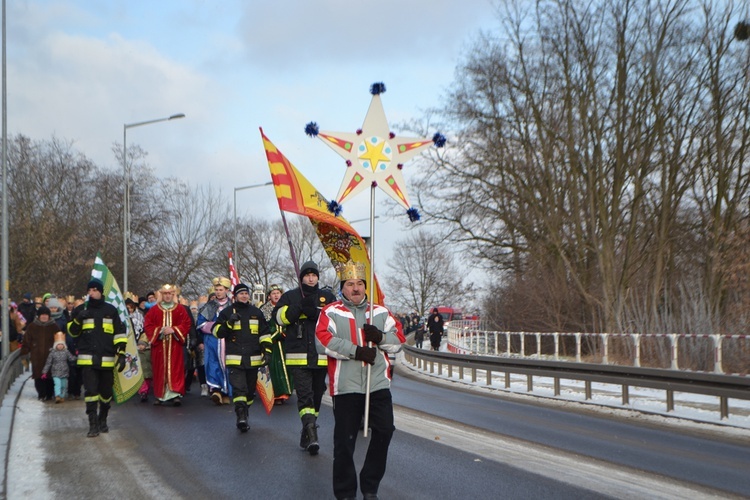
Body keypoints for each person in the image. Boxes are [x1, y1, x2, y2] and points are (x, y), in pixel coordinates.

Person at [316, 260, 405, 500]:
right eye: (350, 284)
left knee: (385, 430)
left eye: (359, 284)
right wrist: (356, 351)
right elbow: (322, 341)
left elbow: (398, 341)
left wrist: (380, 337)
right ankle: (345, 492)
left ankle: (370, 485)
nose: (355, 288)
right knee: (345, 442)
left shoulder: (380, 312)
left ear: (365, 286)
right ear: (342, 287)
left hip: (377, 383)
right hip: (345, 386)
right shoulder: (331, 312)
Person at [273, 260, 336, 455]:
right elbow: (278, 318)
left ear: (318, 277)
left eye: (314, 275)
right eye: (307, 275)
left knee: (317, 395)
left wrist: (316, 313)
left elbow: (336, 321)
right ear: (301, 278)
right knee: (305, 395)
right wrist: (298, 308)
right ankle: (312, 432)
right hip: (298, 356)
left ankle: (307, 430)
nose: (311, 278)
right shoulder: (291, 296)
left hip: (321, 356)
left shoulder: (327, 296)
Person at [68, 279, 128, 437]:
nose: (92, 293)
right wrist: (79, 318)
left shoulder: (111, 310)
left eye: (95, 290)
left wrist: (121, 354)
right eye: (90, 290)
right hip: (87, 360)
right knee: (91, 392)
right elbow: (72, 332)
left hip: (107, 359)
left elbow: (119, 334)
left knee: (106, 394)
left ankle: (103, 419)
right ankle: (93, 424)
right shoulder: (81, 309)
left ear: (101, 292)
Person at [213, 283, 273, 432]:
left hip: (253, 359)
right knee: (239, 389)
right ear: (235, 296)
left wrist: (267, 351)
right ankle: (241, 416)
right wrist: (229, 323)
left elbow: (264, 333)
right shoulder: (227, 312)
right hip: (235, 359)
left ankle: (244, 411)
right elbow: (216, 332)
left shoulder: (256, 312)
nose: (244, 296)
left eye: (246, 293)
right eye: (241, 294)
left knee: (250, 392)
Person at [143, 284, 191, 406]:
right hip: (159, 346)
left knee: (175, 369)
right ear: (162, 295)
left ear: (173, 295)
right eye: (165, 293)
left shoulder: (180, 309)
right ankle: (160, 395)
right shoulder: (154, 310)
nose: (168, 296)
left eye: (170, 293)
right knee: (159, 369)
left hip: (175, 345)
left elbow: (186, 323)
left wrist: (174, 329)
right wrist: (159, 330)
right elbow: (148, 325)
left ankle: (175, 394)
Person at [196, 277, 233, 404]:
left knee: (228, 365)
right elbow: (200, 324)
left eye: (220, 290)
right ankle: (216, 390)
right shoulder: (209, 306)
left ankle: (226, 392)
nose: (218, 292)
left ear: (226, 290)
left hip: (228, 341)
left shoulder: (232, 306)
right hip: (212, 340)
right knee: (212, 363)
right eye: (216, 290)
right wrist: (215, 327)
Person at [260, 283, 293, 404]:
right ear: (269, 296)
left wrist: (285, 333)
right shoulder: (264, 309)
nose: (276, 295)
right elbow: (263, 328)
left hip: (285, 343)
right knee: (274, 367)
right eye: (273, 293)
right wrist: (273, 336)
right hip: (271, 343)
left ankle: (286, 391)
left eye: (278, 293)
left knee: (287, 366)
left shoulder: (286, 307)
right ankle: (276, 393)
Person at [21, 305, 58, 401]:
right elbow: (26, 341)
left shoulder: (54, 326)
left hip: (51, 356)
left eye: (46, 315)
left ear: (49, 316)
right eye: (42, 315)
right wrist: (24, 353)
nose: (44, 317)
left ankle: (49, 394)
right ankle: (41, 394)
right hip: (37, 356)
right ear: (38, 316)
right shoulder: (32, 326)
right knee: (38, 376)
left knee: (50, 377)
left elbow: (60, 340)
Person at [41, 332, 77, 403]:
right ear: (55, 345)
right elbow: (48, 363)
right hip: (55, 372)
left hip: (64, 372)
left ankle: (62, 396)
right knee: (57, 384)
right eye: (58, 344)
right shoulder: (52, 353)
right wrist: (44, 372)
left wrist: (77, 356)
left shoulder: (66, 352)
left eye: (61, 344)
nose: (60, 346)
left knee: (64, 386)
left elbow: (71, 358)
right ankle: (57, 396)